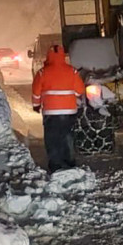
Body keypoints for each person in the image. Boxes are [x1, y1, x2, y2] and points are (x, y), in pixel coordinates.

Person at [31, 44, 85, 173]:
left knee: (52, 138)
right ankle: (69, 162)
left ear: (48, 56)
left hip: (51, 112)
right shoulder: (72, 71)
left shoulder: (42, 72)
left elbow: (36, 92)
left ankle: (55, 164)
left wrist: (36, 105)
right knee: (67, 136)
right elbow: (80, 90)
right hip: (69, 111)